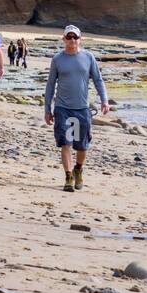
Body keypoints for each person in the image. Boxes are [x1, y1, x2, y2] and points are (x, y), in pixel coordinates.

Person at [44, 25, 108, 192]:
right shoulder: (58, 59)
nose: (72, 40)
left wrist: (104, 100)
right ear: (64, 39)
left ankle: (78, 168)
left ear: (80, 39)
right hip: (62, 108)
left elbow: (98, 80)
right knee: (66, 143)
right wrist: (47, 109)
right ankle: (68, 176)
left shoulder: (88, 57)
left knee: (81, 145)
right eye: (69, 37)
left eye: (75, 37)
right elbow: (50, 84)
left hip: (82, 109)